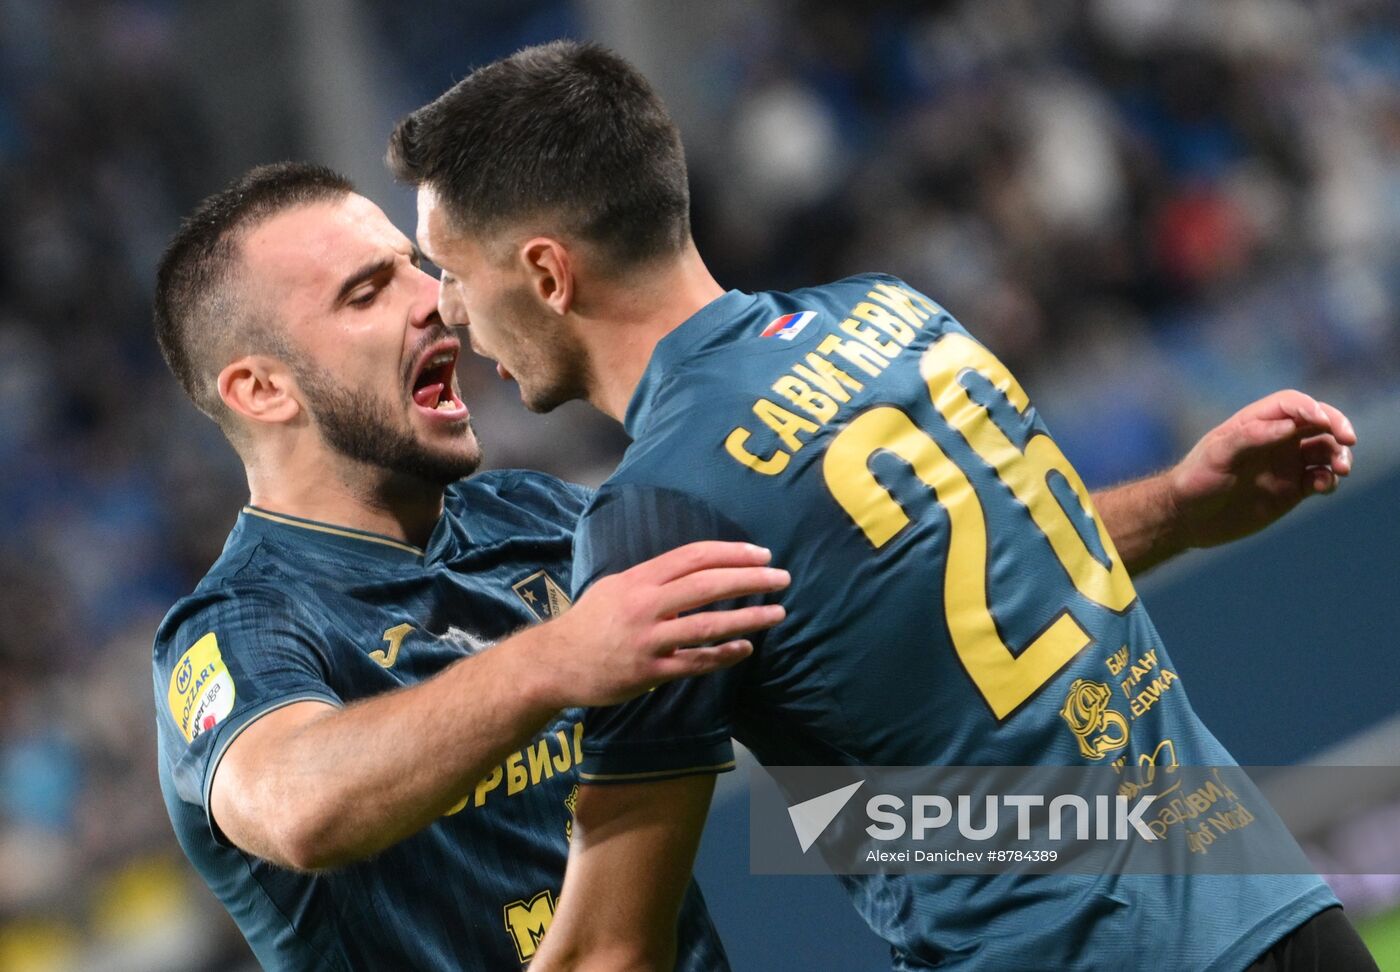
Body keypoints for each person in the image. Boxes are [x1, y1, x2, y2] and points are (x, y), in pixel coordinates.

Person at [389, 41, 1373, 971]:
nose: (446, 308)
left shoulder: (657, 514)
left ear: (547, 274)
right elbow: (956, 590)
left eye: (452, 268)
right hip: (1282, 914)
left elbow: (613, 947)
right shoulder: (893, 317)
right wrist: (1182, 507)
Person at [150, 162, 794, 970]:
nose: (436, 298)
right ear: (262, 390)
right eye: (366, 292)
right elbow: (298, 808)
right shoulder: (239, 628)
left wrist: (996, 842)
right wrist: (559, 659)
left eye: (414, 267)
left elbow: (803, 786)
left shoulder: (540, 519)